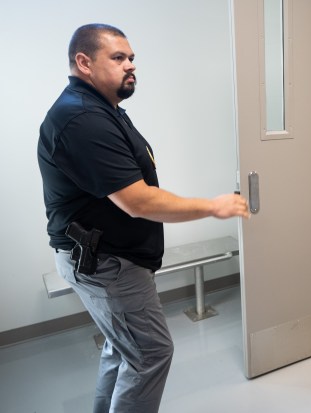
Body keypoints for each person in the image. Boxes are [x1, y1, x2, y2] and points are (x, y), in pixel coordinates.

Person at [37, 23, 249, 412]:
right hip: (108, 265)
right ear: (84, 62)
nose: (130, 65)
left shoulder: (103, 109)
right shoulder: (82, 119)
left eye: (131, 58)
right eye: (118, 58)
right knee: (150, 353)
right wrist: (212, 206)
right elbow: (139, 202)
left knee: (122, 351)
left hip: (106, 257)